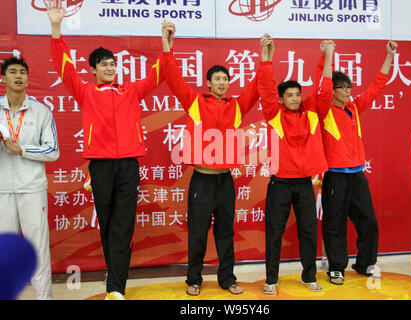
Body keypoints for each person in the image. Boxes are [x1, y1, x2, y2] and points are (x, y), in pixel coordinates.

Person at [46, 0, 168, 300]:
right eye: (105, 65)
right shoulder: (85, 91)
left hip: (128, 165)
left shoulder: (130, 91)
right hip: (100, 166)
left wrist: (166, 45)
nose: (111, 68)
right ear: (94, 69)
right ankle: (114, 272)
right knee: (108, 222)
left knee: (124, 225)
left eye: (113, 64)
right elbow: (64, 67)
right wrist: (56, 28)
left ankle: (116, 285)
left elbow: (157, 74)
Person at [161, 21, 262, 296]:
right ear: (208, 83)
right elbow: (172, 77)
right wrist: (167, 44)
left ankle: (227, 278)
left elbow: (257, 87)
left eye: (225, 79)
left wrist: (265, 60)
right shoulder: (196, 103)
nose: (221, 82)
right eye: (217, 78)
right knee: (197, 234)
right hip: (202, 182)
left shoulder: (237, 107)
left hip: (225, 182)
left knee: (225, 234)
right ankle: (194, 279)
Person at [257, 35, 334, 294]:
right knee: (274, 233)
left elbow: (324, 87)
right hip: (279, 184)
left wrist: (327, 56)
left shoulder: (312, 112)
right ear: (281, 98)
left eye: (298, 94)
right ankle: (271, 280)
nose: (295, 98)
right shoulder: (274, 114)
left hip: (304, 185)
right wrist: (267, 55)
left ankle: (309, 275)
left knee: (309, 232)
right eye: (289, 95)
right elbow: (266, 88)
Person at [318, 40, 398, 285]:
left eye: (349, 86)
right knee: (335, 223)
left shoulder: (354, 108)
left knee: (368, 221)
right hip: (335, 176)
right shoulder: (324, 110)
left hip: (357, 176)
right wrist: (328, 55)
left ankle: (364, 263)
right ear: (333, 90)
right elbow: (322, 83)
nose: (348, 90)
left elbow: (377, 86)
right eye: (342, 87)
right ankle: (336, 267)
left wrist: (389, 56)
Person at [0, 56, 60, 300]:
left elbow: (53, 150)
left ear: (27, 77)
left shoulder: (41, 111)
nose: (18, 76)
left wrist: (21, 149)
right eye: (12, 71)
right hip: (2, 190)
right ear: (3, 78)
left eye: (22, 72)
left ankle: (43, 298)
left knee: (37, 251)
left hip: (32, 190)